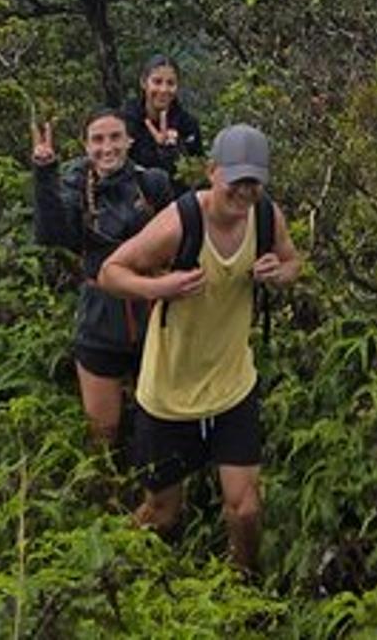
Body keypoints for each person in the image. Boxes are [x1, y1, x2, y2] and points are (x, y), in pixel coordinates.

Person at [97, 123, 301, 573]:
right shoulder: (181, 221)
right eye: (235, 181)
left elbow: (293, 262)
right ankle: (113, 574)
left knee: (245, 508)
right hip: (170, 391)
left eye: (253, 182)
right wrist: (162, 286)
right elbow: (112, 272)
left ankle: (241, 588)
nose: (244, 193)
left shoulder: (267, 216)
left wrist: (278, 272)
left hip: (232, 383)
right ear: (212, 171)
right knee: (162, 514)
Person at [31, 109, 179, 453]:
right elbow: (53, 234)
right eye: (97, 139)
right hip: (99, 320)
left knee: (158, 422)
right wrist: (44, 173)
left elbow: (181, 229)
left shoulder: (151, 182)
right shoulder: (76, 186)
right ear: (85, 145)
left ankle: (157, 494)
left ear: (129, 141)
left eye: (115, 137)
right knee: (103, 431)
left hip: (152, 317)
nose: (107, 147)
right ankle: (107, 495)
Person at [122, 54, 204, 186]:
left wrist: (174, 150)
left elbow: (197, 175)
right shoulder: (125, 121)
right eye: (157, 82)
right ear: (144, 83)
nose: (164, 90)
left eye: (170, 83)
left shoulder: (188, 125)